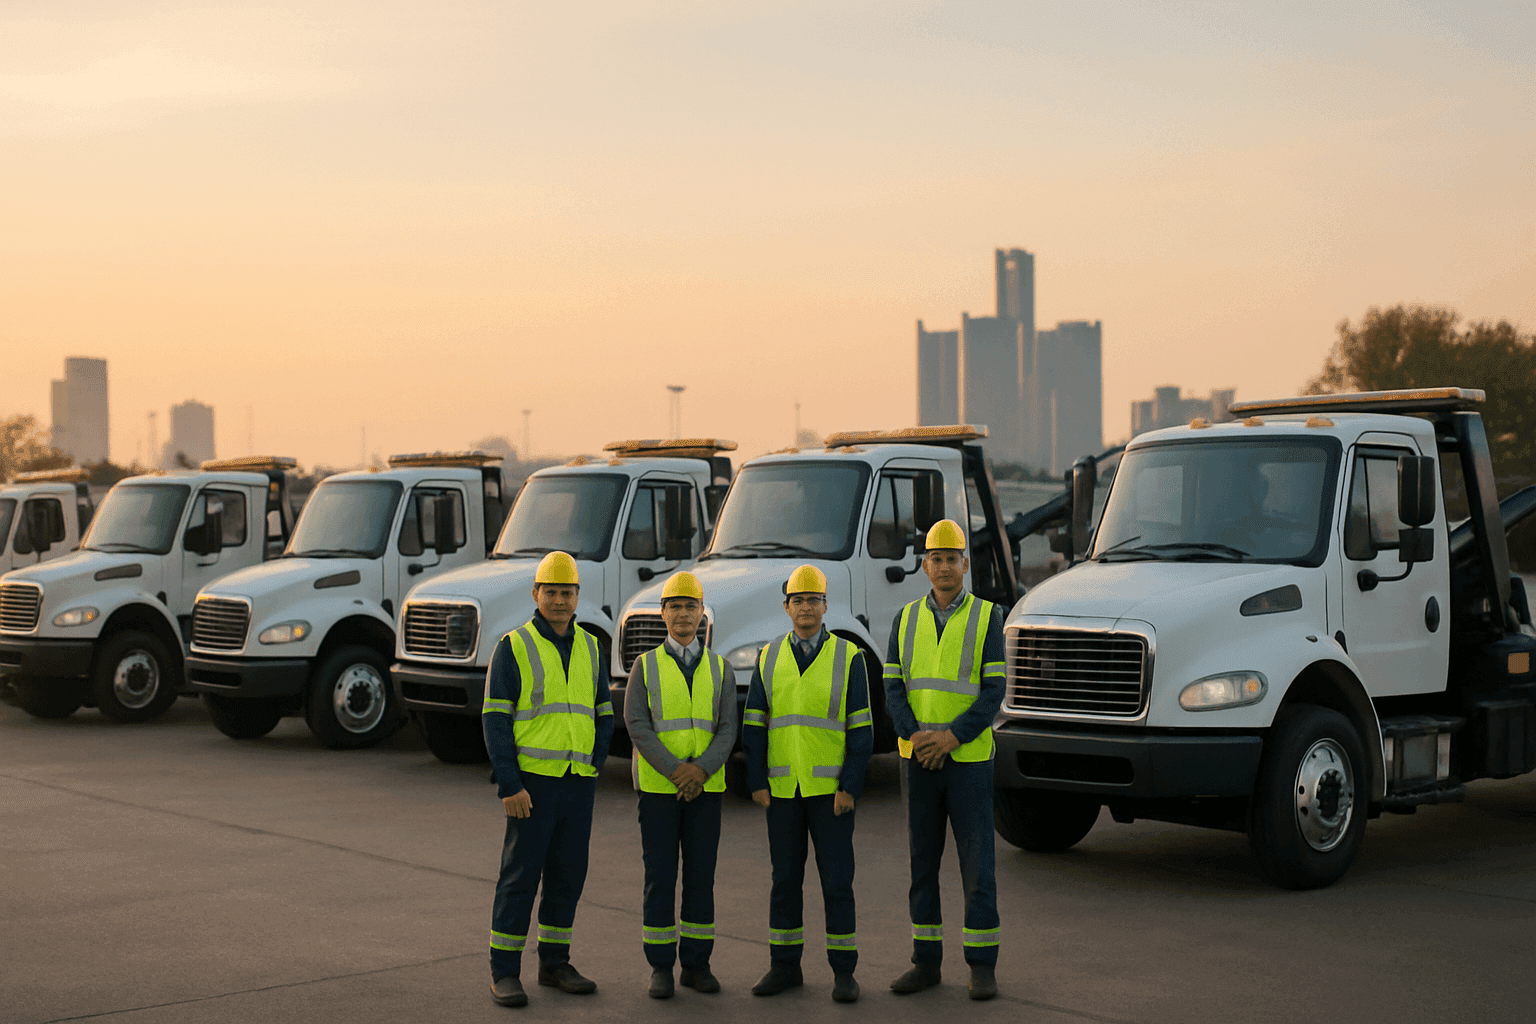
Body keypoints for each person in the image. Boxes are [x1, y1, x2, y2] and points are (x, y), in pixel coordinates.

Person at [482, 551, 614, 1008]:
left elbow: (603, 713)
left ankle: (555, 962)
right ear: (535, 594)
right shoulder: (513, 645)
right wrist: (509, 784)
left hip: (578, 781)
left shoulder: (592, 646)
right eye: (552, 591)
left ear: (578, 595)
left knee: (567, 874)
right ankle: (504, 971)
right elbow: (495, 720)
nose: (560, 600)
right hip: (532, 785)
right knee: (520, 877)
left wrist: (594, 763)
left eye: (568, 592)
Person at [883, 519, 1006, 1000]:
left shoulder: (986, 618)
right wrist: (917, 738)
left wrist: (950, 738)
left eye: (952, 558)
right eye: (935, 558)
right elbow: (893, 687)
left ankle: (982, 966)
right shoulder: (905, 619)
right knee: (922, 866)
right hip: (918, 761)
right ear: (924, 565)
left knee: (978, 867)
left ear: (965, 564)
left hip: (968, 762)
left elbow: (994, 691)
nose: (944, 567)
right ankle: (926, 963)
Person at [742, 564, 873, 1004]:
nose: (805, 608)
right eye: (798, 601)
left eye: (813, 600)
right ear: (786, 607)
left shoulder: (848, 658)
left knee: (837, 883)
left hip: (830, 795)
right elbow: (754, 726)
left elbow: (862, 732)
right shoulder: (768, 656)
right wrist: (756, 780)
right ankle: (784, 967)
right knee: (784, 882)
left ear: (825, 606)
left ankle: (844, 973)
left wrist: (850, 787)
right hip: (782, 793)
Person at [624, 570, 737, 999]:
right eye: (675, 606)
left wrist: (701, 771)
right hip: (659, 790)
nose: (684, 614)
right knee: (660, 876)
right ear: (663, 614)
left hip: (705, 790)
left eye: (691, 606)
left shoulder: (721, 668)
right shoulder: (645, 666)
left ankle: (696, 964)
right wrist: (677, 771)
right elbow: (637, 724)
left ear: (702, 613)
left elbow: (728, 729)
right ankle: (660, 967)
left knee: (700, 877)